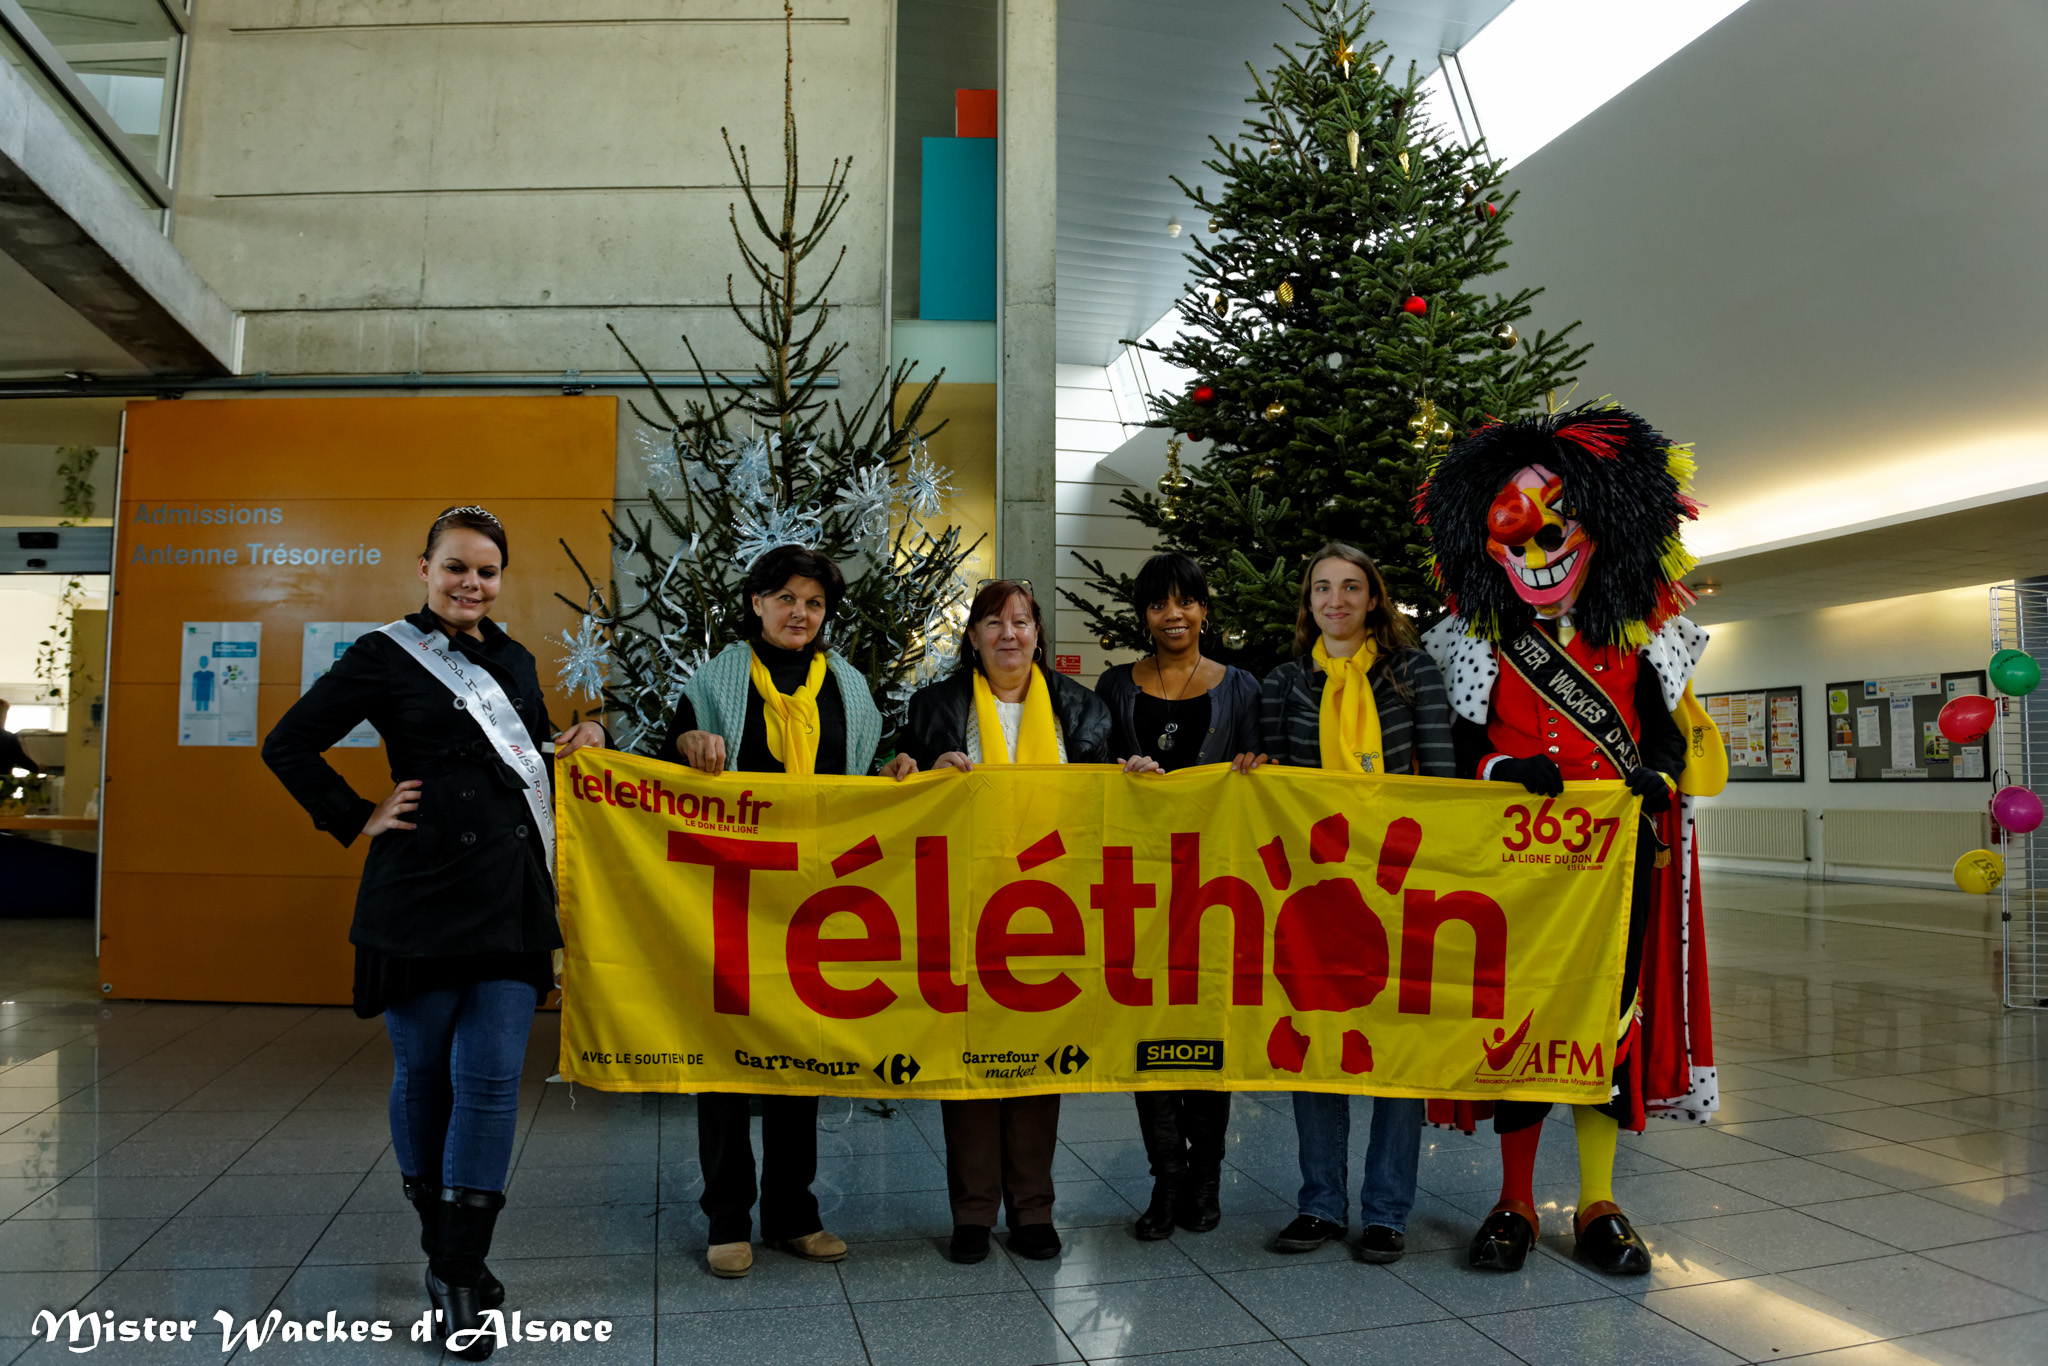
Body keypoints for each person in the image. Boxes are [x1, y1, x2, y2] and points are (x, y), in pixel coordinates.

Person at [263, 506, 605, 1362]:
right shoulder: (385, 654)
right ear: (425, 569)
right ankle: (445, 1242)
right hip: (419, 893)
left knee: (490, 1081)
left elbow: (526, 757)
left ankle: (456, 1268)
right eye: (456, 567)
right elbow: (289, 743)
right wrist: (357, 814)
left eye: (486, 571)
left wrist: (589, 733)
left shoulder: (515, 659)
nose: (471, 584)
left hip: (508, 898)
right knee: (424, 1075)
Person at [1415, 404, 1716, 1277]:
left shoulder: (1638, 640)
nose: (1539, 548)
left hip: (1617, 867)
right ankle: (1512, 1200)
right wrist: (1502, 768)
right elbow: (1458, 749)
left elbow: (1665, 740)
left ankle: (1598, 1202)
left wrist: (1658, 776)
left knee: (1606, 1024)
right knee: (1525, 1028)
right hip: (1519, 867)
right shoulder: (1478, 644)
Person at [659, 543, 881, 1280]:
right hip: (731, 897)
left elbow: (862, 779)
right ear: (756, 603)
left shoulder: (849, 688)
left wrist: (898, 772)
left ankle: (793, 1215)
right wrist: (686, 740)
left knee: (798, 1053)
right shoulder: (713, 682)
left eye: (814, 603)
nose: (800, 613)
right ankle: (727, 1218)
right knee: (725, 1059)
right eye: (786, 598)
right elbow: (666, 768)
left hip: (813, 899)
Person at [883, 579, 1112, 1264]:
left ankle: (1034, 1209)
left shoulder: (1083, 708)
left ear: (1038, 633)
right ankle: (974, 1213)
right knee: (969, 1063)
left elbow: (1107, 800)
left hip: (1054, 910)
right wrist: (919, 769)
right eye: (993, 622)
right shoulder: (934, 706)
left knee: (1039, 1062)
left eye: (1021, 621)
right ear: (973, 636)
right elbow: (893, 784)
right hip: (965, 904)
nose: (1008, 634)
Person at [1244, 542, 1453, 1265]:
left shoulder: (1413, 673)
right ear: (1308, 603)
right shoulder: (1283, 682)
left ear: (1373, 599)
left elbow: (1442, 778)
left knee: (1398, 1048)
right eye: (1323, 588)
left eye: (1351, 587)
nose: (1336, 600)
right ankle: (1320, 1205)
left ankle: (1387, 1212)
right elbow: (1273, 782)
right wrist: (1254, 769)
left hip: (1398, 881)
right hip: (1315, 890)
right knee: (1316, 1041)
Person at [1092, 553, 1261, 1240]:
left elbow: (1265, 781)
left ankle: (1205, 1179)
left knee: (1207, 1032)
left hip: (1216, 888)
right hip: (1137, 888)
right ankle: (1166, 1180)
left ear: (1204, 610)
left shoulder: (1242, 688)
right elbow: (1090, 772)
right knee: (1149, 1035)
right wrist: (1119, 770)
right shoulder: (1113, 685)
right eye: (1159, 604)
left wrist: (1255, 767)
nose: (1173, 615)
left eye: (1185, 602)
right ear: (1144, 615)